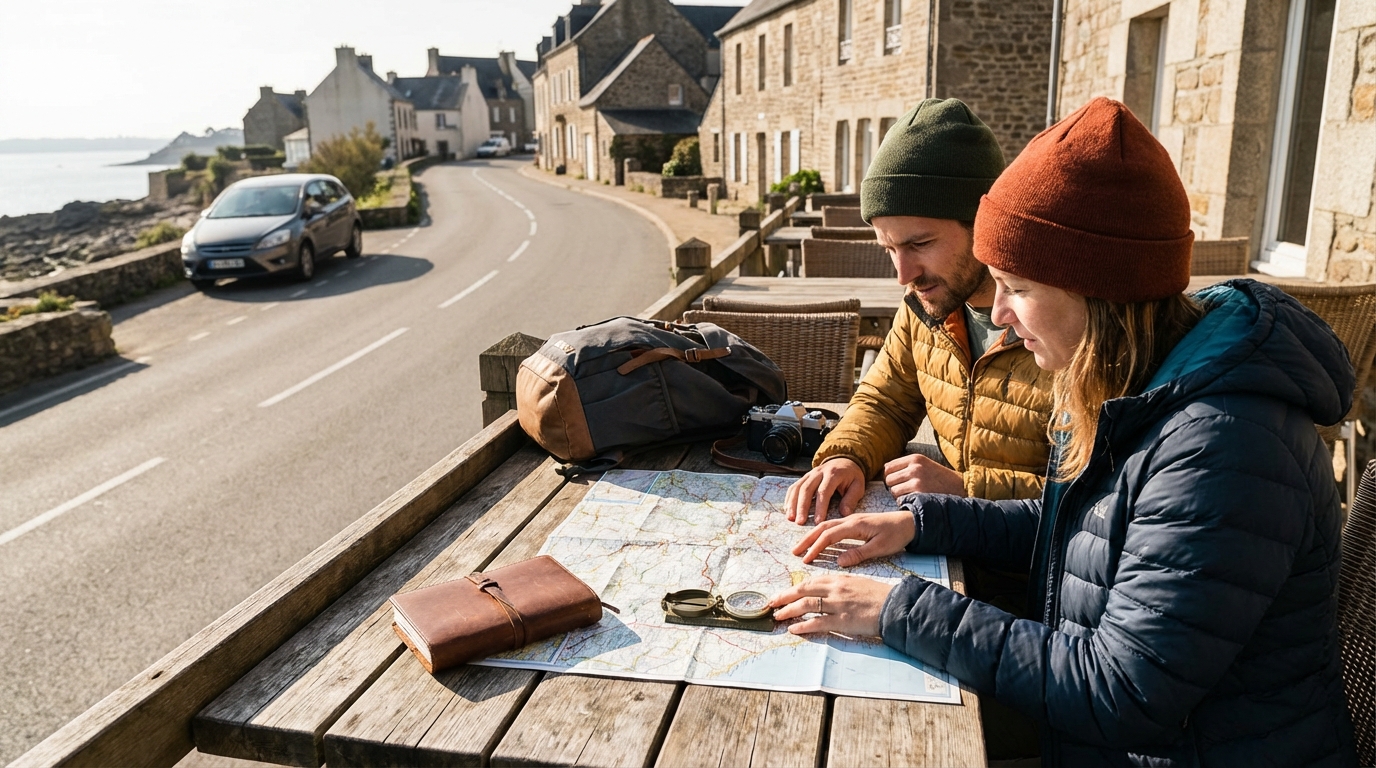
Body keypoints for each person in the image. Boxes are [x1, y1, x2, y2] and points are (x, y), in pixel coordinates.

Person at [771, 97, 1357, 765]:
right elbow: (1083, 527)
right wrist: (923, 524)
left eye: (1016, 287)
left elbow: (1120, 691)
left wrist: (895, 610)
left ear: (1100, 290)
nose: (1000, 315)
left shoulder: (1224, 446)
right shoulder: (1147, 387)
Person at [785, 99, 1053, 527]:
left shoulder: (1059, 322)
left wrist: (966, 489)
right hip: (948, 548)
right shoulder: (922, 307)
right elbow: (886, 402)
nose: (903, 275)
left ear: (983, 222)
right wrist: (846, 454)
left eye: (919, 244)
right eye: (889, 249)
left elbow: (1101, 496)